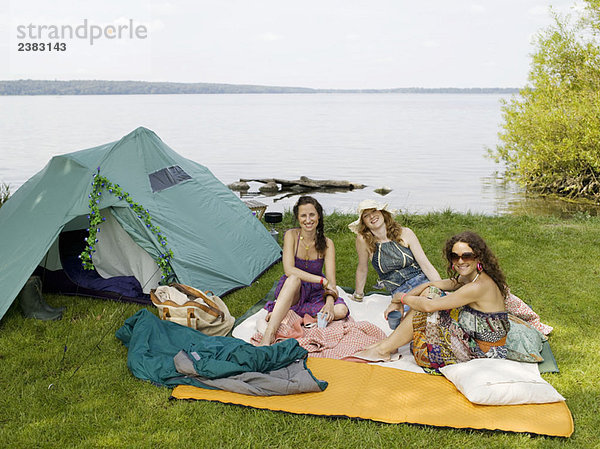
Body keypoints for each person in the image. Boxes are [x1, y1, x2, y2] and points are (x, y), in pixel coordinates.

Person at [353, 231, 510, 371]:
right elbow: (430, 284)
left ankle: (385, 348)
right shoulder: (470, 277)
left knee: (428, 302)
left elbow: (429, 306)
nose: (460, 261)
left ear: (478, 256)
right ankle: (388, 345)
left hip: (484, 352)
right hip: (475, 337)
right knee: (429, 292)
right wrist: (399, 302)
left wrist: (401, 298)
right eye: (455, 257)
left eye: (466, 256)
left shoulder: (478, 286)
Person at [259, 196, 348, 346]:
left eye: (312, 214)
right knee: (294, 279)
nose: (308, 220)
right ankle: (269, 334)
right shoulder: (291, 235)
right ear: (298, 218)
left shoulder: (327, 243)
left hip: (316, 292)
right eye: (303, 215)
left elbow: (331, 282)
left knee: (341, 310)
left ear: (318, 216)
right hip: (293, 289)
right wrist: (321, 280)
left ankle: (293, 316)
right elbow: (289, 270)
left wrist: (329, 302)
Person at [348, 200, 441, 318]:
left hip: (422, 283)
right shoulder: (363, 240)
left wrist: (441, 287)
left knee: (435, 309)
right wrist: (358, 295)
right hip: (400, 292)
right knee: (415, 317)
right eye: (366, 215)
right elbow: (362, 268)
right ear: (364, 222)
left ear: (382, 213)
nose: (372, 216)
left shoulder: (405, 233)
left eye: (374, 211)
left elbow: (426, 265)